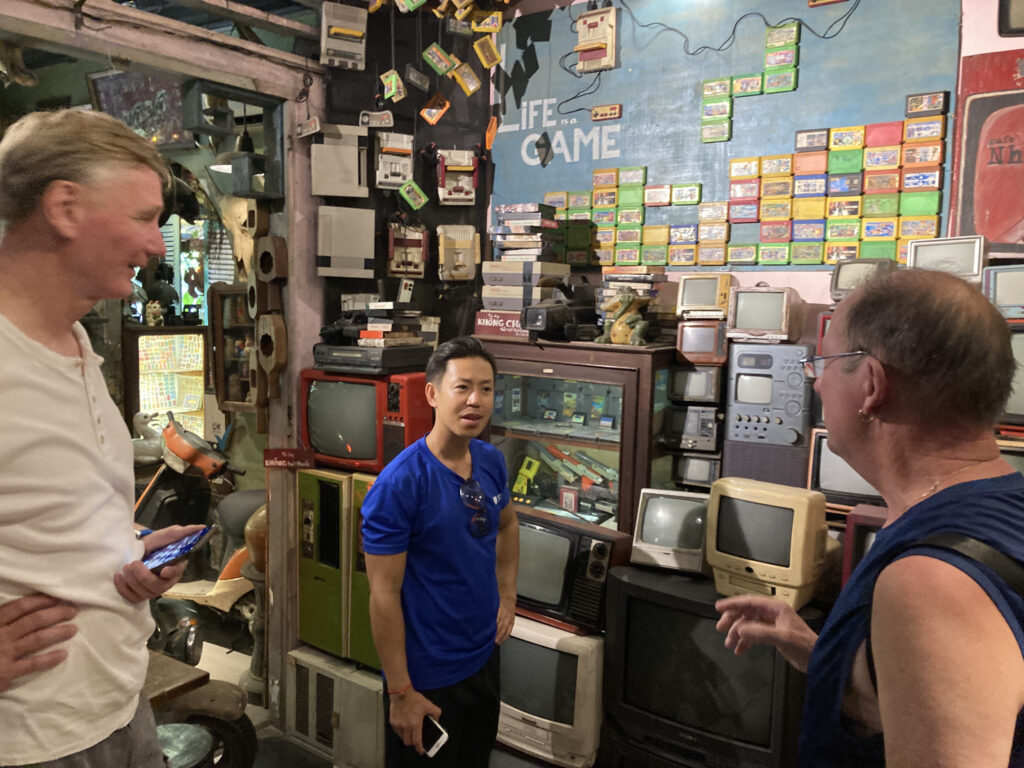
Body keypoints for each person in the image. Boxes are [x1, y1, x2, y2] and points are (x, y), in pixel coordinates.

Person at [716, 268, 1024, 767]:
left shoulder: (932, 584)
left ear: (872, 385)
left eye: (826, 362)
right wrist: (832, 658)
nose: (816, 382)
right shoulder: (995, 508)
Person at [0, 109, 204, 767]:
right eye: (145, 217)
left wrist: (133, 553)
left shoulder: (77, 341)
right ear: (65, 206)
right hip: (33, 742)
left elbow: (43, 519)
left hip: (119, 708)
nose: (158, 245)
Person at [362, 336, 519, 767]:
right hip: (426, 678)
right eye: (462, 387)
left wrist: (507, 594)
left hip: (483, 658)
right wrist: (400, 692)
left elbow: (507, 524)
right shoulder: (399, 485)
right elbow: (382, 596)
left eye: (486, 389)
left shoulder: (490, 461)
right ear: (432, 394)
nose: (475, 400)